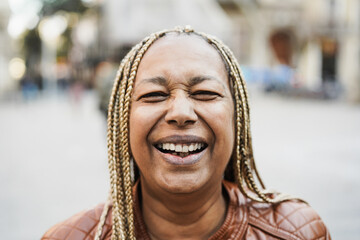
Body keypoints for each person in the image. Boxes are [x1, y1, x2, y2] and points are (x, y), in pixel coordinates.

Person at [42, 26, 331, 240]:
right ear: (122, 122)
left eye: (205, 93)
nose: (180, 113)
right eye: (154, 94)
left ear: (237, 118)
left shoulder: (297, 232)